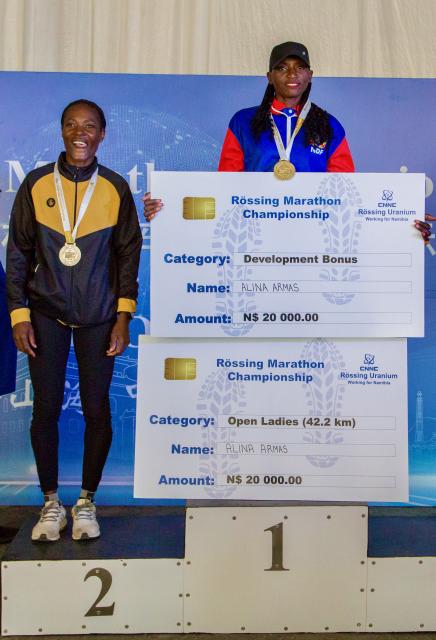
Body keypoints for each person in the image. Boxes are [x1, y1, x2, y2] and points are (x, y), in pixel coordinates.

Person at [7, 99, 142, 542]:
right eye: (71, 125)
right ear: (61, 132)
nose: (79, 132)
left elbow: (127, 257)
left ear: (103, 134)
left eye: (89, 126)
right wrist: (18, 315)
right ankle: (50, 503)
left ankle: (86, 501)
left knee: (97, 409)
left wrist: (123, 317)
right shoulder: (35, 183)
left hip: (100, 318)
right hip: (44, 315)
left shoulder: (116, 189)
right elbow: (18, 254)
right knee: (44, 410)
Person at [143, 41, 354, 221]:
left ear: (310, 75)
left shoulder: (328, 125)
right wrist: (168, 204)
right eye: (282, 68)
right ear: (269, 76)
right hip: (255, 226)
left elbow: (343, 188)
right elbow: (226, 184)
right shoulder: (244, 121)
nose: (292, 74)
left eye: (300, 67)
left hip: (312, 226)